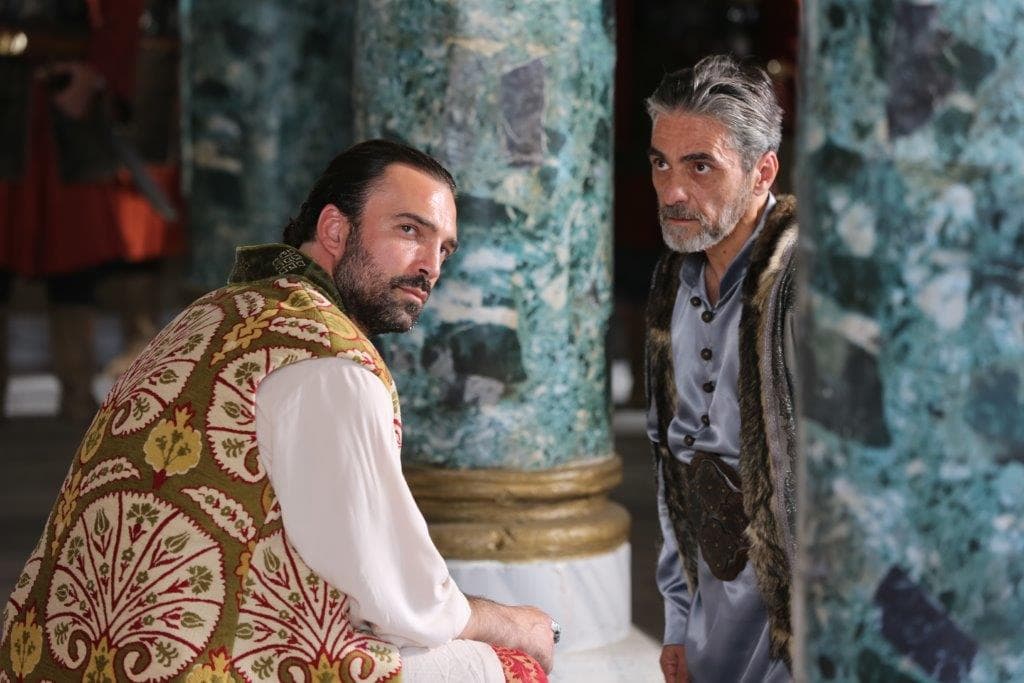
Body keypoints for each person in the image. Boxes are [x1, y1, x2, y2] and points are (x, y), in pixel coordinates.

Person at [0, 140, 555, 682]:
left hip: (51, 659)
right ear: (335, 229)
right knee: (514, 666)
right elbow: (397, 599)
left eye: (445, 250)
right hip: (184, 666)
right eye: (410, 231)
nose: (429, 266)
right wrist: (510, 623)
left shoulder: (211, 312)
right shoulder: (330, 359)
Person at [644, 55, 798, 682]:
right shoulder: (670, 282)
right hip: (713, 611)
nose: (672, 192)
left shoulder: (803, 284)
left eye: (700, 166)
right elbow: (671, 465)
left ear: (763, 172)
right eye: (661, 163)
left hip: (798, 617)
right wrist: (678, 621)